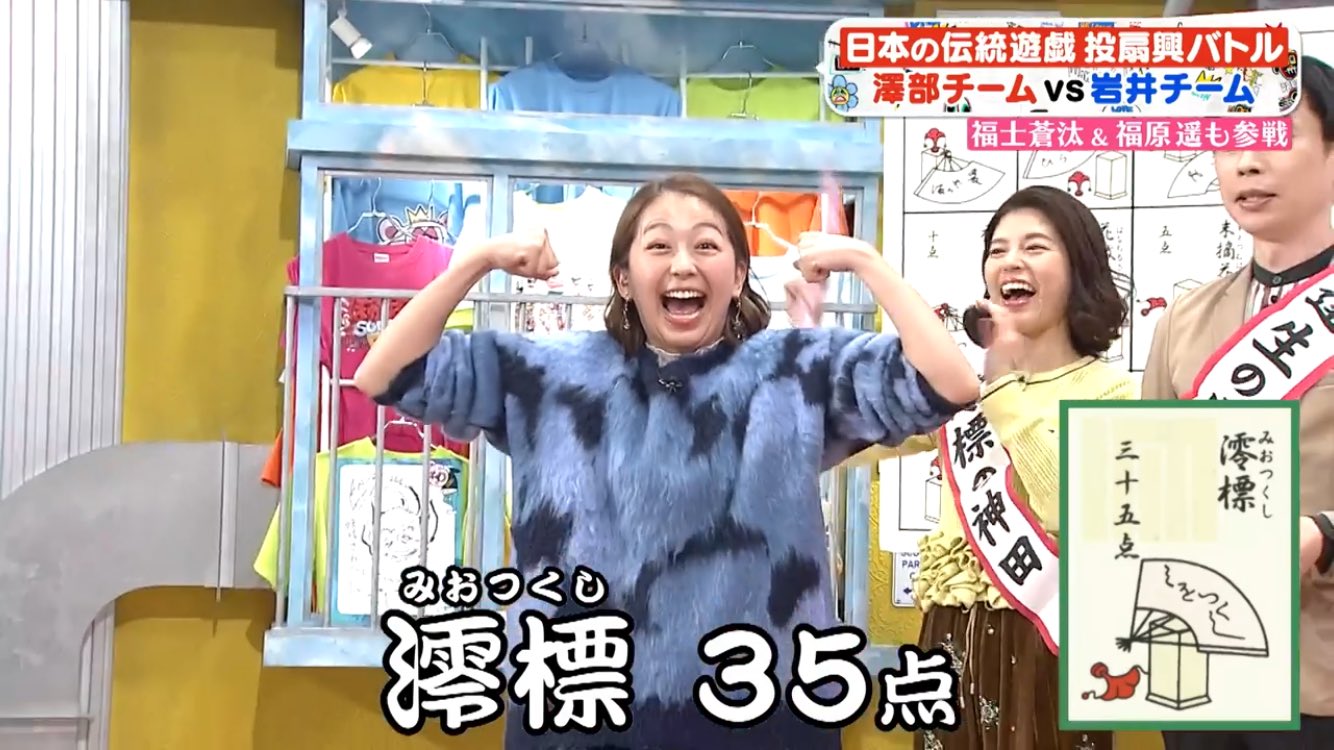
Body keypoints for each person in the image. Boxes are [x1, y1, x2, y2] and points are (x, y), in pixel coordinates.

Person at [353, 173, 980, 749]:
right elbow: (384, 374)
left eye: (707, 245)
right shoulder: (549, 372)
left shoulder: (796, 369)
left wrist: (868, 263)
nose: (683, 263)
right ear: (624, 278)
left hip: (763, 708)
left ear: (738, 275)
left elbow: (950, 383)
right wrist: (477, 260)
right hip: (580, 700)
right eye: (658, 246)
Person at [840, 186, 1135, 750]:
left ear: (1080, 270)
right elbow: (855, 436)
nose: (1010, 262)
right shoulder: (961, 396)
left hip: (1046, 643)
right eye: (998, 250)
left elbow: (1072, 508)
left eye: (1035, 247)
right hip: (949, 638)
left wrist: (1000, 390)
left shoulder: (1112, 392)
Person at [1143, 55, 1334, 749]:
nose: (1247, 161)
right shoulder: (1183, 320)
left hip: (1320, 674)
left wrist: (1325, 534)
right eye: (1229, 142)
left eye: (1276, 136)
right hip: (1195, 666)